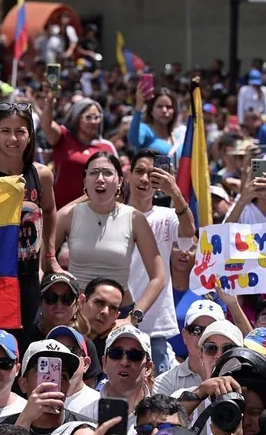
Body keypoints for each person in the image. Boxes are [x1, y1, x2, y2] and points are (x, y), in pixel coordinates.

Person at [0, 101, 62, 339]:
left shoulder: (42, 174)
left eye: (20, 131)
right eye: (5, 130)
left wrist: (49, 257)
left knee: (24, 340)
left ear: (30, 136)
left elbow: (50, 209)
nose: (13, 138)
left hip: (28, 277)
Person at [56, 152, 165, 316]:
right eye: (93, 173)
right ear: (85, 180)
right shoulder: (67, 215)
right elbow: (43, 262)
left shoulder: (135, 218)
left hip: (118, 315)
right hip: (75, 314)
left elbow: (159, 277)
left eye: (107, 173)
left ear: (120, 181)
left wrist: (134, 317)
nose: (100, 178)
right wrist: (61, 279)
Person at [126, 149, 196, 374]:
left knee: (157, 400)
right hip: (117, 320)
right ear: (128, 175)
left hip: (155, 327)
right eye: (139, 172)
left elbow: (188, 232)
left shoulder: (167, 215)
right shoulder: (113, 213)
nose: (144, 179)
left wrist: (175, 192)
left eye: (152, 173)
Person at [0, 340, 93, 435]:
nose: (52, 383)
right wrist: (24, 422)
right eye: (43, 375)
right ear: (23, 384)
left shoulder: (87, 430)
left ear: (68, 387)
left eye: (62, 376)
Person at [41, 90, 117, 208]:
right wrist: (49, 101)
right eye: (88, 117)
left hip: (94, 214)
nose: (93, 122)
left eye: (97, 117)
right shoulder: (63, 138)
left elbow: (115, 183)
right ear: (77, 118)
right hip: (60, 211)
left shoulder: (107, 147)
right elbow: (47, 125)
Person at [79, 326, 154, 428]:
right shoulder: (84, 416)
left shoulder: (160, 417)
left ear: (148, 368)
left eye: (135, 355)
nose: (124, 362)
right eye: (116, 353)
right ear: (104, 363)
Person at [154, 300, 226, 396]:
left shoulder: (236, 375)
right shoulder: (165, 382)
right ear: (184, 336)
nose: (203, 337)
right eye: (197, 330)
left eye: (211, 330)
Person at [45, 326, 101, 411]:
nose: (63, 358)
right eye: (55, 351)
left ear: (85, 364)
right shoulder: (36, 401)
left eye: (71, 351)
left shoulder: (98, 403)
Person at [128, 85, 180, 158]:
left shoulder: (179, 134)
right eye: (159, 106)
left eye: (169, 107)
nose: (164, 110)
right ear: (151, 111)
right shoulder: (145, 130)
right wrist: (138, 107)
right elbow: (134, 141)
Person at [78, 278, 125, 358]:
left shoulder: (114, 351)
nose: (105, 312)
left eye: (113, 308)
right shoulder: (60, 336)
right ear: (82, 302)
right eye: (99, 303)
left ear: (116, 317)